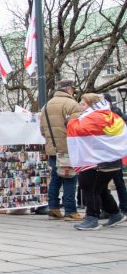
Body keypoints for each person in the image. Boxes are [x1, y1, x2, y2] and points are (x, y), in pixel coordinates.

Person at [68, 93, 127, 230]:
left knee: (89, 188)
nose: (81, 107)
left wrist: (69, 121)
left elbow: (79, 129)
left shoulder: (94, 116)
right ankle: (115, 214)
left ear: (91, 104)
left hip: (97, 162)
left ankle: (92, 218)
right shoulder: (111, 115)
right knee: (100, 189)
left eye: (83, 104)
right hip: (112, 161)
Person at [40, 80, 84, 221]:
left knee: (55, 178)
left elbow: (42, 130)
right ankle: (71, 211)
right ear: (69, 89)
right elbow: (80, 128)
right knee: (70, 179)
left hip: (52, 148)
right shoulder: (72, 105)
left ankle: (54, 209)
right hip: (68, 148)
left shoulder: (45, 106)